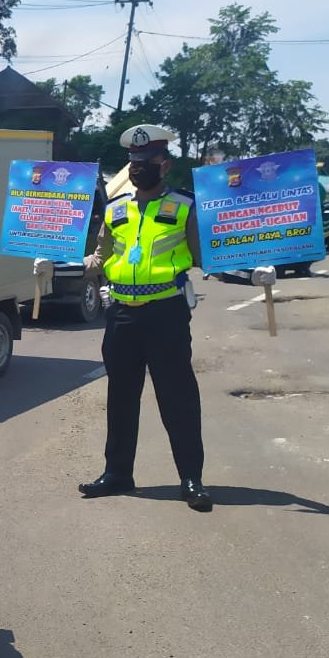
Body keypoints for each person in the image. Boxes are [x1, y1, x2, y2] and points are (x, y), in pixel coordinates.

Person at [81, 124, 212, 512]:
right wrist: (56, 264)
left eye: (146, 162)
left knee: (178, 397)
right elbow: (100, 260)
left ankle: (191, 478)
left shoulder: (186, 206)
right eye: (133, 162)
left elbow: (207, 257)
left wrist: (253, 269)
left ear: (164, 165)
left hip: (166, 313)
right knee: (120, 397)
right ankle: (118, 474)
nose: (138, 168)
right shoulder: (115, 208)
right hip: (121, 314)